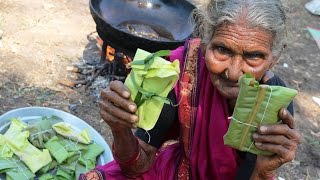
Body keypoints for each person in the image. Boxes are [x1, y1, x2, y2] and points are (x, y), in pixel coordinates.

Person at [80, 0, 301, 179]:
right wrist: (120, 130)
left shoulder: (273, 102)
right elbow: (136, 167)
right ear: (204, 42)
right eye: (222, 50)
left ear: (275, 56)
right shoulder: (183, 72)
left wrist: (264, 171)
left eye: (253, 56)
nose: (233, 73)